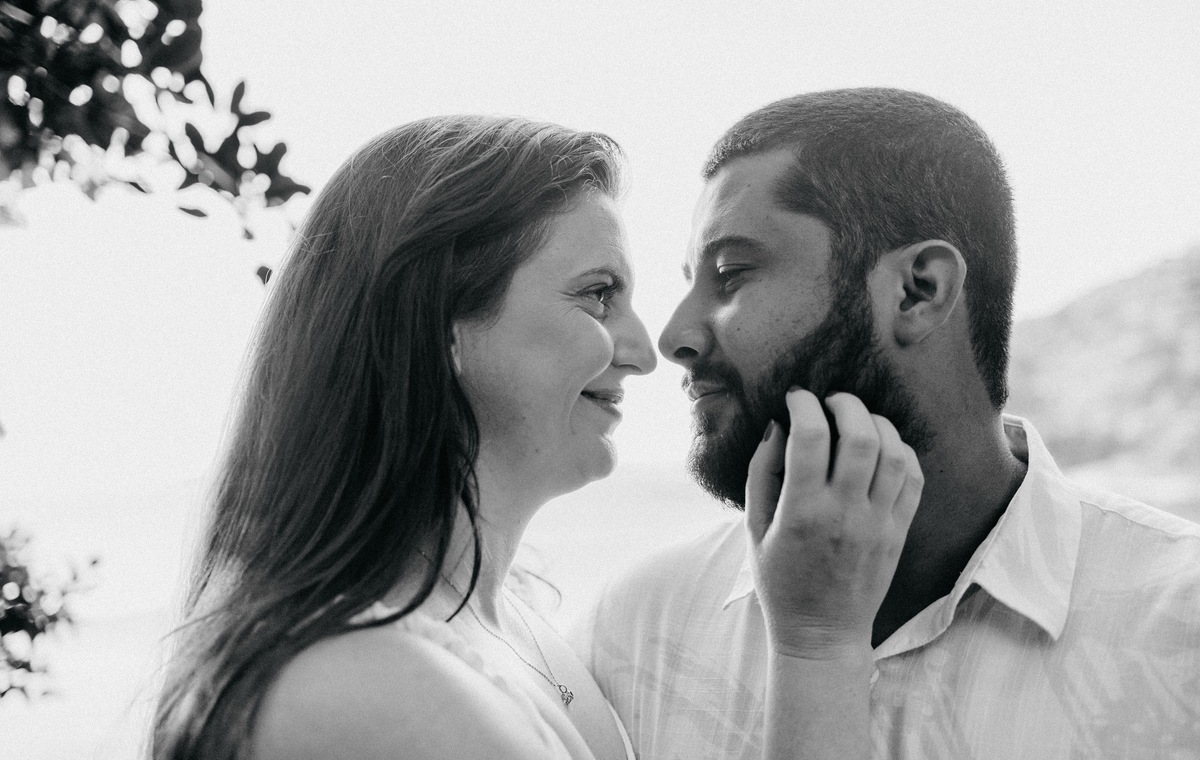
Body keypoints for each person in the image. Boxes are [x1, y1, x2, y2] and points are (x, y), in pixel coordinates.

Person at [150, 114, 923, 760]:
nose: (645, 349)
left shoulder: (512, 628)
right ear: (439, 328)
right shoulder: (359, 681)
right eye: (596, 295)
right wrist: (820, 645)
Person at [574, 88, 1200, 759]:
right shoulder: (638, 629)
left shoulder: (1181, 624)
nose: (673, 336)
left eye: (732, 274)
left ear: (918, 290)